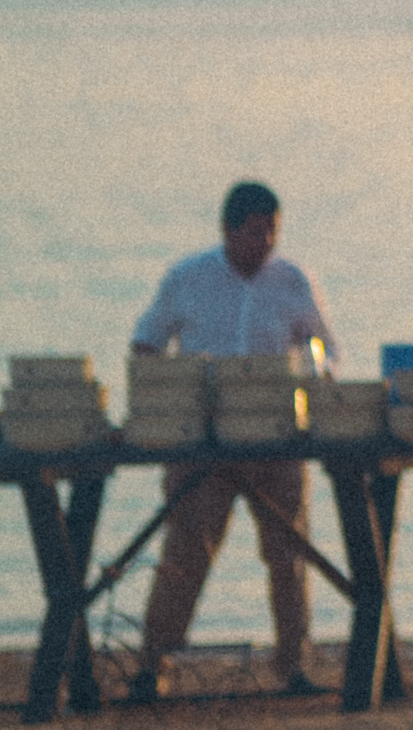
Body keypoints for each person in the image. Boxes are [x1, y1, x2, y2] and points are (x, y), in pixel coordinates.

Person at [125, 181, 335, 702]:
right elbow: (146, 343)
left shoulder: (293, 280)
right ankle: (154, 665)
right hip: (203, 446)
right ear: (228, 229)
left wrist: (314, 378)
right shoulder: (187, 278)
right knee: (185, 554)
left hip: (276, 441)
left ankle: (294, 666)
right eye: (257, 230)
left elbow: (324, 350)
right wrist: (170, 402)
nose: (266, 241)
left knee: (290, 555)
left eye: (273, 231)